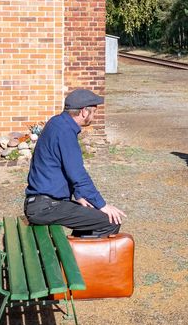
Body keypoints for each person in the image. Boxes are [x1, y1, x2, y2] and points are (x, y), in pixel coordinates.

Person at [24, 88, 126, 236]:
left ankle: (73, 254)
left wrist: (79, 195)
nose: (94, 116)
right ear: (84, 111)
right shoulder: (65, 132)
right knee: (109, 221)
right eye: (94, 112)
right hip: (46, 207)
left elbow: (65, 167)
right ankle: (75, 258)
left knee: (90, 215)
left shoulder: (57, 123)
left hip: (41, 204)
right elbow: (77, 174)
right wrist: (102, 205)